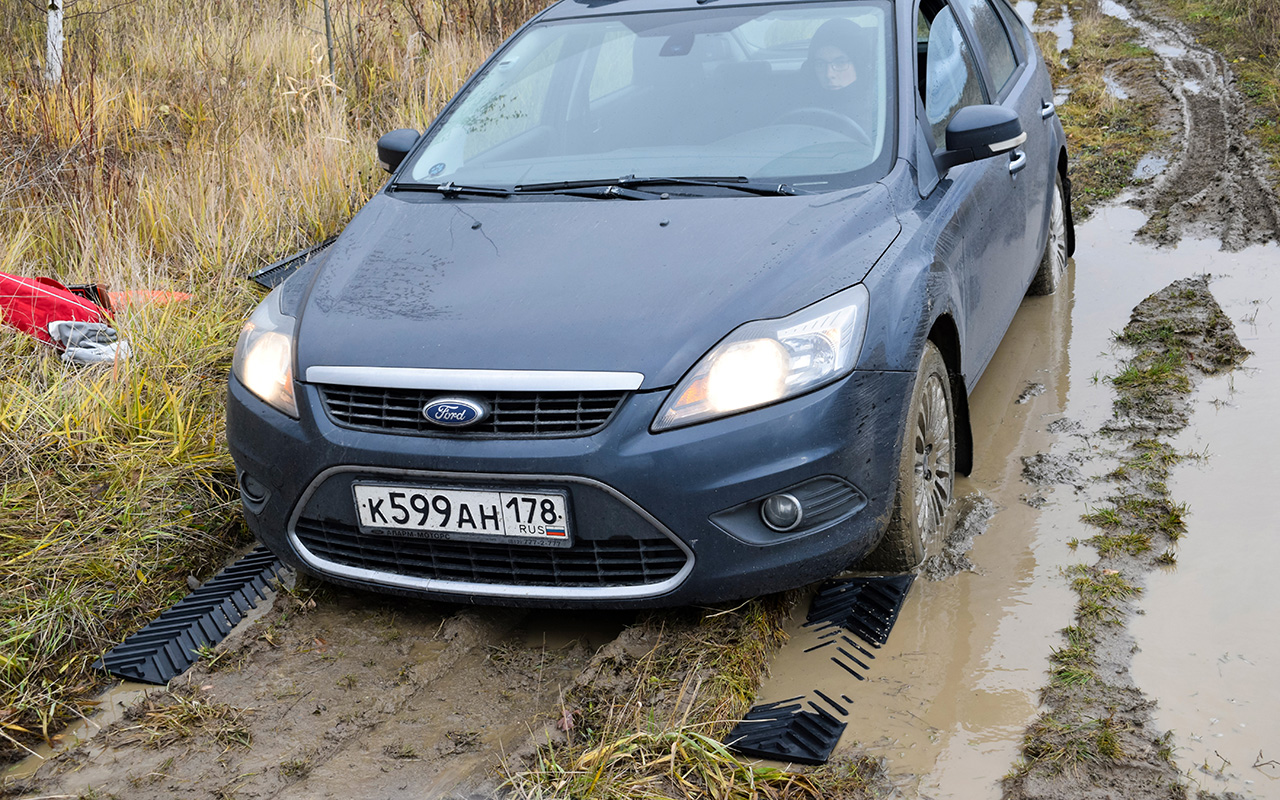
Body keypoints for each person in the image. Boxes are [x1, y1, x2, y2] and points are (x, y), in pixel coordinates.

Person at [800, 17, 876, 140]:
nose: (829, 74)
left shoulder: (880, 107)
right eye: (820, 64)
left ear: (859, 64)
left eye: (840, 63)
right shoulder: (803, 102)